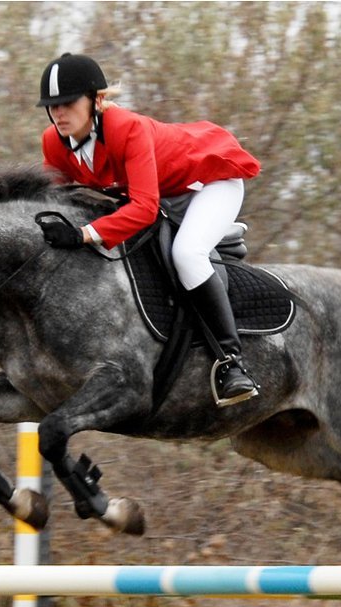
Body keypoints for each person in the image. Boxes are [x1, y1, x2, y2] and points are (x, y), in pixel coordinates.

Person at [36, 52, 261, 407]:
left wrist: (83, 234)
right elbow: (55, 202)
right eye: (52, 106)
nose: (58, 113)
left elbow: (141, 208)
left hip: (208, 183)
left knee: (186, 254)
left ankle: (232, 363)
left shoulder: (127, 129)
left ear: (96, 100)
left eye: (67, 103)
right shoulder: (54, 142)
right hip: (160, 196)